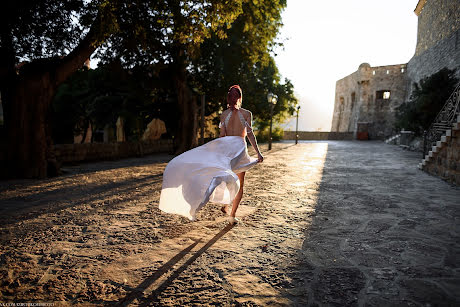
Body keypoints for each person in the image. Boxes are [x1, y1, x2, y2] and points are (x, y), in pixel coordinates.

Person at [159, 85, 263, 224]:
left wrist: (257, 152)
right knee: (233, 180)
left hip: (233, 149)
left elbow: (232, 135)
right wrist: (215, 152)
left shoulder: (229, 114)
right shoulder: (242, 114)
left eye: (234, 96)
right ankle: (230, 214)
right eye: (231, 96)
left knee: (229, 178)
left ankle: (226, 208)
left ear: (238, 97)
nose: (232, 98)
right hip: (233, 149)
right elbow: (242, 135)